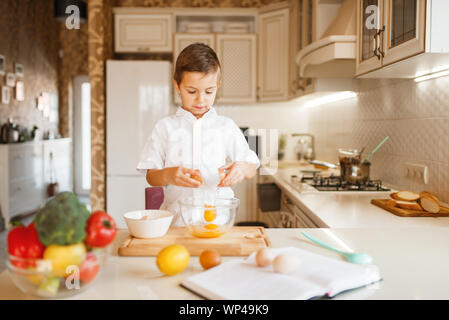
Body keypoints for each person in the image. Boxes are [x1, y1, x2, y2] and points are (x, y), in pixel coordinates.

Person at [136, 43, 260, 226]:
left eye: (209, 91)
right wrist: (169, 175)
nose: (201, 100)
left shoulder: (226, 127)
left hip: (217, 222)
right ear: (177, 86)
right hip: (176, 224)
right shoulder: (165, 127)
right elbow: (151, 176)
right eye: (192, 91)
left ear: (217, 86)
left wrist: (241, 169)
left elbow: (252, 166)